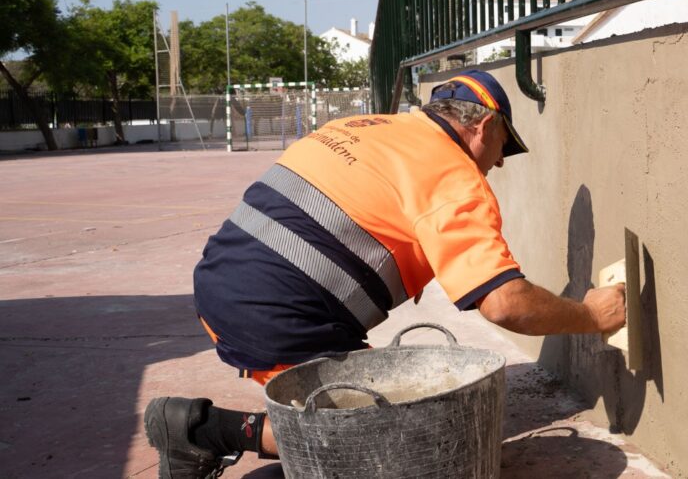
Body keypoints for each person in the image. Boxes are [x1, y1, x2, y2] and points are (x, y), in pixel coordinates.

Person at [143, 69, 628, 479]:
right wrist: (590, 314)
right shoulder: (453, 176)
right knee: (381, 449)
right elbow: (505, 302)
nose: (499, 161)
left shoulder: (363, 125)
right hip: (277, 311)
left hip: (220, 284)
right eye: (504, 144)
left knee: (350, 414)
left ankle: (203, 431)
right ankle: (209, 433)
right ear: (483, 127)